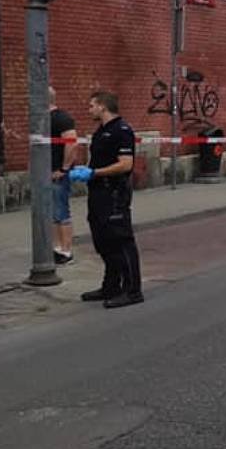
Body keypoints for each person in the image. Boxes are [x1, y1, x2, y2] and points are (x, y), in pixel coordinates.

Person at [68, 91, 143, 308]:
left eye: (92, 105)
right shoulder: (102, 131)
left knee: (121, 240)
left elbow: (125, 164)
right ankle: (111, 285)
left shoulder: (122, 130)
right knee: (103, 240)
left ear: (102, 106)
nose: (89, 109)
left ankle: (132, 290)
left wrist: (94, 172)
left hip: (114, 192)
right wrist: (88, 171)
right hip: (98, 192)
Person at [48, 87, 78, 264]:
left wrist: (64, 169)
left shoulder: (61, 118)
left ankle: (66, 251)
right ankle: (57, 248)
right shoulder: (42, 119)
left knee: (61, 211)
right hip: (47, 172)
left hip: (58, 172)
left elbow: (72, 143)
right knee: (52, 212)